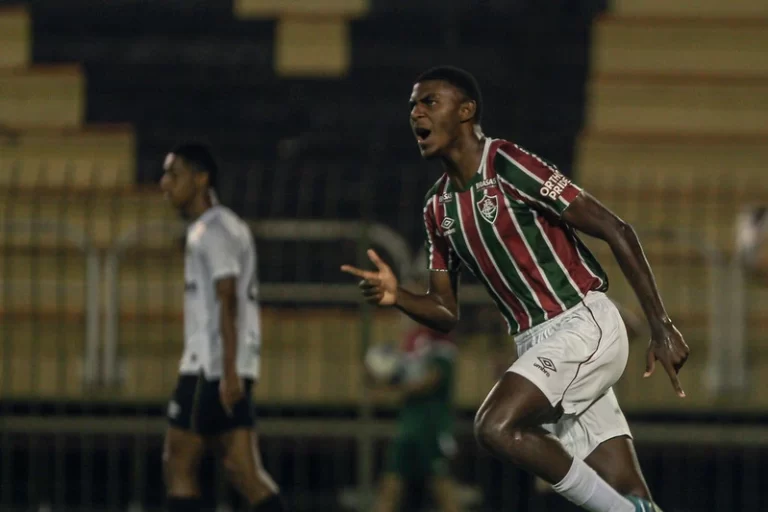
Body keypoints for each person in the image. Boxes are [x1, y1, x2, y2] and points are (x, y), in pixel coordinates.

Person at [341, 66, 689, 512]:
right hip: (537, 342)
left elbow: (615, 228)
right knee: (627, 487)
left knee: (495, 426)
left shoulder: (506, 163)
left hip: (582, 322)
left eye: (429, 101)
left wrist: (661, 326)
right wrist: (398, 297)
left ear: (466, 111)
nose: (415, 113)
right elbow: (446, 312)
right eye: (412, 104)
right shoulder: (436, 206)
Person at [159, 143, 286, 512]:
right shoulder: (224, 226)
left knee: (177, 463)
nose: (164, 183)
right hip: (227, 365)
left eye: (174, 174)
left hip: (208, 368)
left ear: (201, 179)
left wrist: (227, 371)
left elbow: (227, 300)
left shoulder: (210, 231)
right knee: (242, 469)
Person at [368, 280, 462, 512]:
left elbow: (433, 378)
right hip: (408, 424)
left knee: (443, 490)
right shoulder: (409, 340)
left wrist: (395, 385)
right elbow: (401, 375)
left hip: (431, 425)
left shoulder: (440, 335)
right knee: (390, 488)